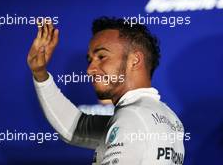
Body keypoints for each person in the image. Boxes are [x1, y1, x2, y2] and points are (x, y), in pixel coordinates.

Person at [27, 17, 185, 164]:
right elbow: (74, 128)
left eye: (102, 57)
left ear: (134, 60)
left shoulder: (131, 117)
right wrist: (40, 72)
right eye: (90, 60)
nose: (90, 70)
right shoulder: (168, 117)